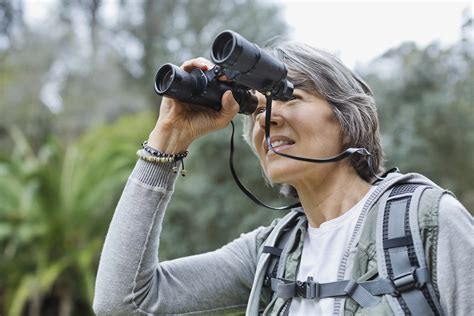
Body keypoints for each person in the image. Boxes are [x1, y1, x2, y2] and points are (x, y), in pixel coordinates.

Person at [93, 41, 472, 315]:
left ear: (345, 116)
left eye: (287, 96)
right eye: (254, 107)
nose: (266, 117)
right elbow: (124, 301)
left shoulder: (425, 220)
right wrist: (167, 140)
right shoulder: (270, 253)